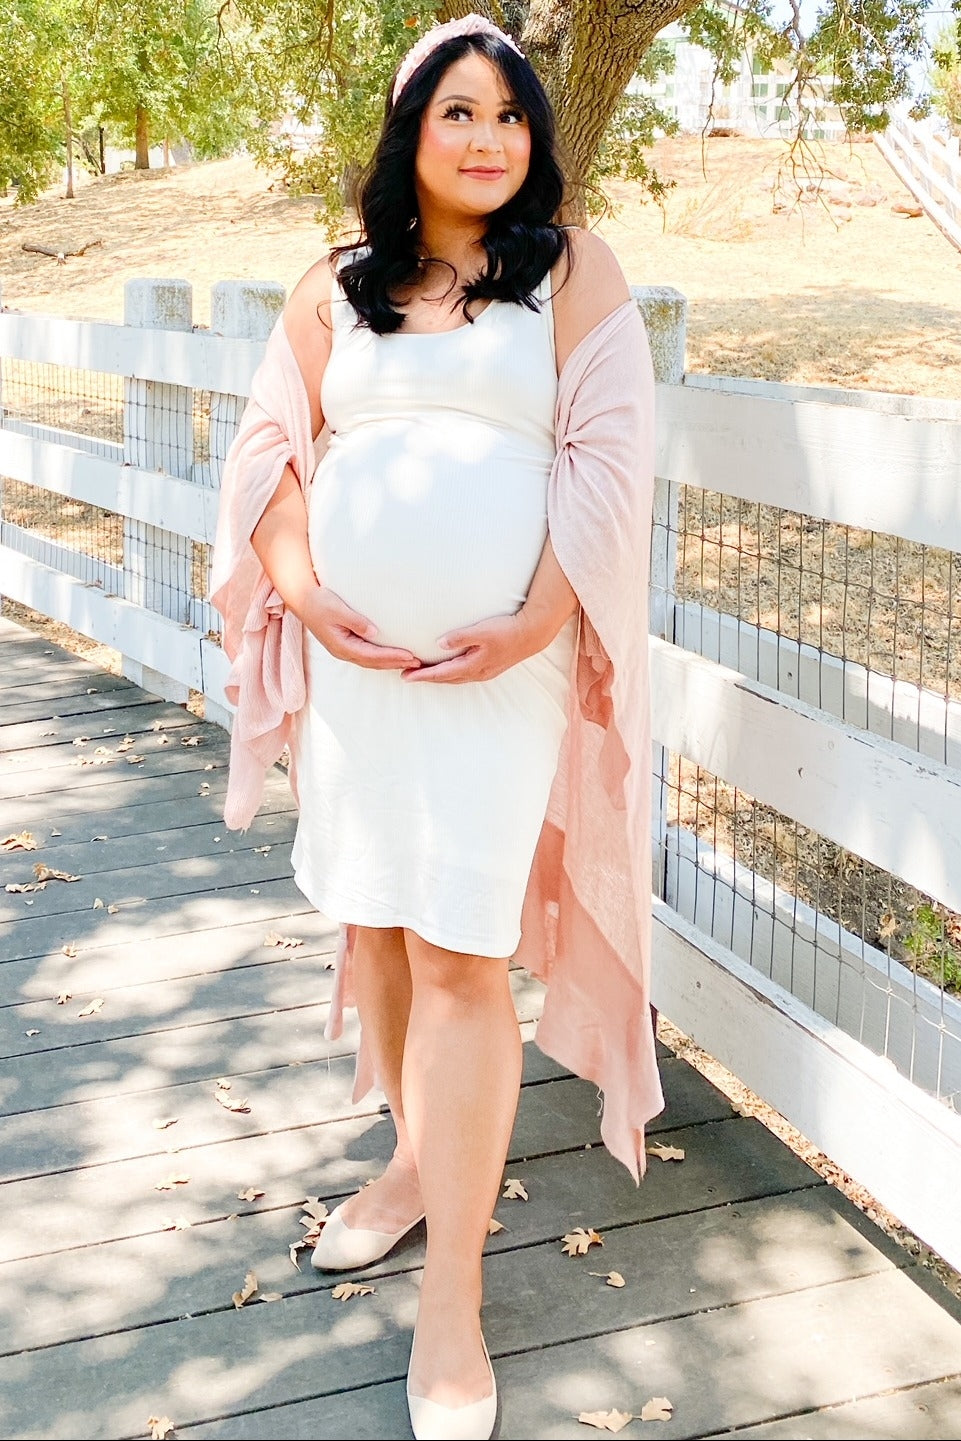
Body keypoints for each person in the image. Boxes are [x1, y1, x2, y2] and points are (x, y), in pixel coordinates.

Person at [211, 14, 664, 1440]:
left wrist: (533, 622)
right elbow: (267, 454)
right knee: (388, 927)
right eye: (457, 111)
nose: (486, 137)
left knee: (464, 946)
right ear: (410, 132)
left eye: (509, 115)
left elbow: (609, 462)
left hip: (498, 668)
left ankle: (454, 1301)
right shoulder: (335, 283)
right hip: (361, 672)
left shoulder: (572, 273)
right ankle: (415, 1163)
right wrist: (305, 594)